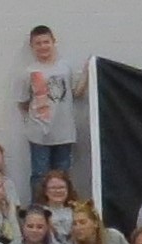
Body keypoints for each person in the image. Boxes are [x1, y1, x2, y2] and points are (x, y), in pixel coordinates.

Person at [10, 25, 85, 197]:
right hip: (39, 134)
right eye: (38, 43)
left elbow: (76, 93)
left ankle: (64, 211)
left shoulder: (65, 67)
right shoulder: (28, 72)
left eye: (46, 42)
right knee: (40, 176)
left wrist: (89, 71)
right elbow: (23, 102)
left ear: (53, 42)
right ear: (32, 47)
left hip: (64, 133)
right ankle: (38, 214)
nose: (43, 46)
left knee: (63, 176)